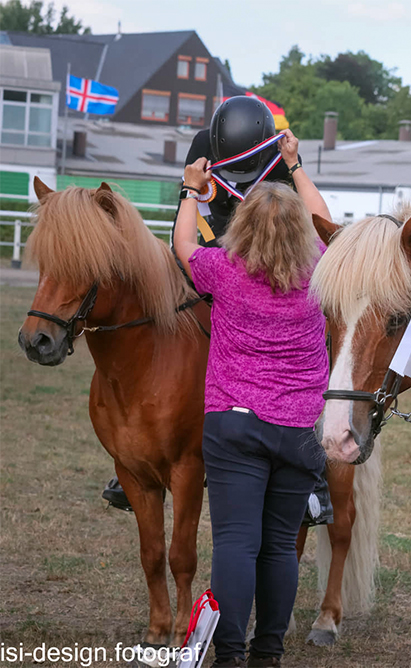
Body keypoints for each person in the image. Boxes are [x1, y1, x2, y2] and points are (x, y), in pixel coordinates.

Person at [101, 97, 333, 528]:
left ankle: (313, 466)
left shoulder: (278, 156)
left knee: (321, 338)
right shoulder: (201, 148)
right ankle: (142, 452)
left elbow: (305, 225)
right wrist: (213, 270)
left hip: (267, 262)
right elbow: (187, 221)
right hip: (213, 258)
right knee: (164, 326)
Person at [174, 128, 331, 667]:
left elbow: (184, 247)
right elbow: (323, 220)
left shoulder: (225, 271)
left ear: (241, 226)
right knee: (279, 543)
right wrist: (296, 165)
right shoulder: (320, 271)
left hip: (234, 424)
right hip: (299, 430)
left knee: (237, 544)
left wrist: (190, 191)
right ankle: (269, 653)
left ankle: (230, 653)